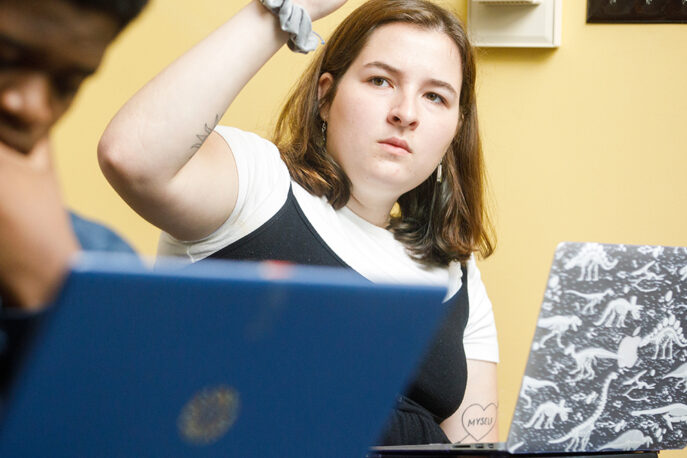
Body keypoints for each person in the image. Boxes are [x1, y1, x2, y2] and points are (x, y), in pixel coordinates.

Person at [99, 0, 499, 445]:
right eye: (380, 80)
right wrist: (283, 10)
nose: (406, 113)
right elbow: (131, 156)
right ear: (325, 97)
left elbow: (472, 446)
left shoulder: (457, 272)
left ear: (454, 131)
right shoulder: (258, 184)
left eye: (435, 96)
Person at [0, 0, 147, 405]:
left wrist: (50, 293)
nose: (30, 106)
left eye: (66, 83)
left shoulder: (102, 268)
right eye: (5, 58)